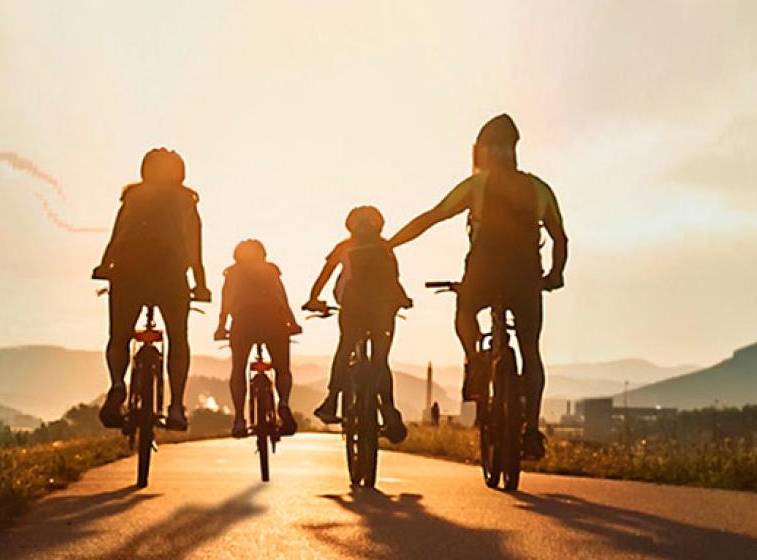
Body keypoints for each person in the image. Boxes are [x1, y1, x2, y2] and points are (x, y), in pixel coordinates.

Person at [387, 113, 566, 459]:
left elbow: (433, 216)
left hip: (484, 272)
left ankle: (474, 361)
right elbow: (560, 238)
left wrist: (390, 244)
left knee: (466, 312)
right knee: (530, 349)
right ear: (514, 148)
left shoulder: (478, 186)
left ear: (484, 150)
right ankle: (530, 429)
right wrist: (555, 274)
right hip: (527, 276)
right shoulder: (540, 189)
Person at [92, 147, 209, 431]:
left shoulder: (132, 197)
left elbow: (118, 236)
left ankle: (118, 385)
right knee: (178, 341)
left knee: (119, 338)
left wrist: (104, 266)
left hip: (127, 274)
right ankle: (177, 407)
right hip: (170, 277)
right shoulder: (186, 200)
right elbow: (194, 246)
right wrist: (201, 284)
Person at [303, 206, 411, 444]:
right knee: (381, 360)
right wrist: (402, 300)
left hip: (352, 308)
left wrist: (313, 299)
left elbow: (324, 275)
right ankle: (390, 411)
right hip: (383, 309)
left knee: (345, 347)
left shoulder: (344, 247)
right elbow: (394, 280)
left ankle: (331, 399)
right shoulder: (385, 247)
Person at [214, 239, 302, 438]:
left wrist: (221, 328)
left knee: (238, 371)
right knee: (282, 369)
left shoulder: (232, 273)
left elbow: (226, 303)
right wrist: (292, 324)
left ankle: (238, 419)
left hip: (244, 324)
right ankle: (284, 402)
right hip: (273, 323)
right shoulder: (270, 271)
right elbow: (281, 299)